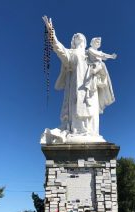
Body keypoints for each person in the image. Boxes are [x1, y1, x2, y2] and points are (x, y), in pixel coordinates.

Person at [41, 16, 116, 144]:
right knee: (77, 112)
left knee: (92, 112)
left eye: (80, 37)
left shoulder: (91, 54)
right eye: (75, 37)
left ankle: (92, 134)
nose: (78, 36)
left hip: (91, 91)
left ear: (85, 42)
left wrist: (99, 70)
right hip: (76, 90)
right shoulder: (71, 53)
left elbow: (102, 73)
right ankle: (77, 132)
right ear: (73, 42)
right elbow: (58, 48)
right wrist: (51, 34)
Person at [85, 37, 117, 107]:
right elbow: (96, 54)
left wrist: (111, 56)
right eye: (96, 42)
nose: (98, 43)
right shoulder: (90, 49)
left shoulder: (100, 52)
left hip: (99, 68)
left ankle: (100, 77)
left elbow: (105, 55)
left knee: (101, 64)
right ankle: (95, 71)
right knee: (100, 63)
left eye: (99, 43)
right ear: (92, 43)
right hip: (93, 65)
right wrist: (103, 56)